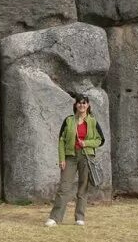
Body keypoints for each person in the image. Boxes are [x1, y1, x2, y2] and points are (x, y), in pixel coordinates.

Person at [45, 94, 105, 227]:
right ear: (75, 105)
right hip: (70, 157)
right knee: (64, 187)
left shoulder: (93, 122)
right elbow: (61, 140)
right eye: (79, 103)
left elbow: (100, 140)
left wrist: (87, 143)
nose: (82, 105)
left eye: (84, 103)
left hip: (86, 157)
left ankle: (80, 217)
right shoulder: (68, 120)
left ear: (88, 105)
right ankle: (55, 218)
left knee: (83, 188)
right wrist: (62, 159)